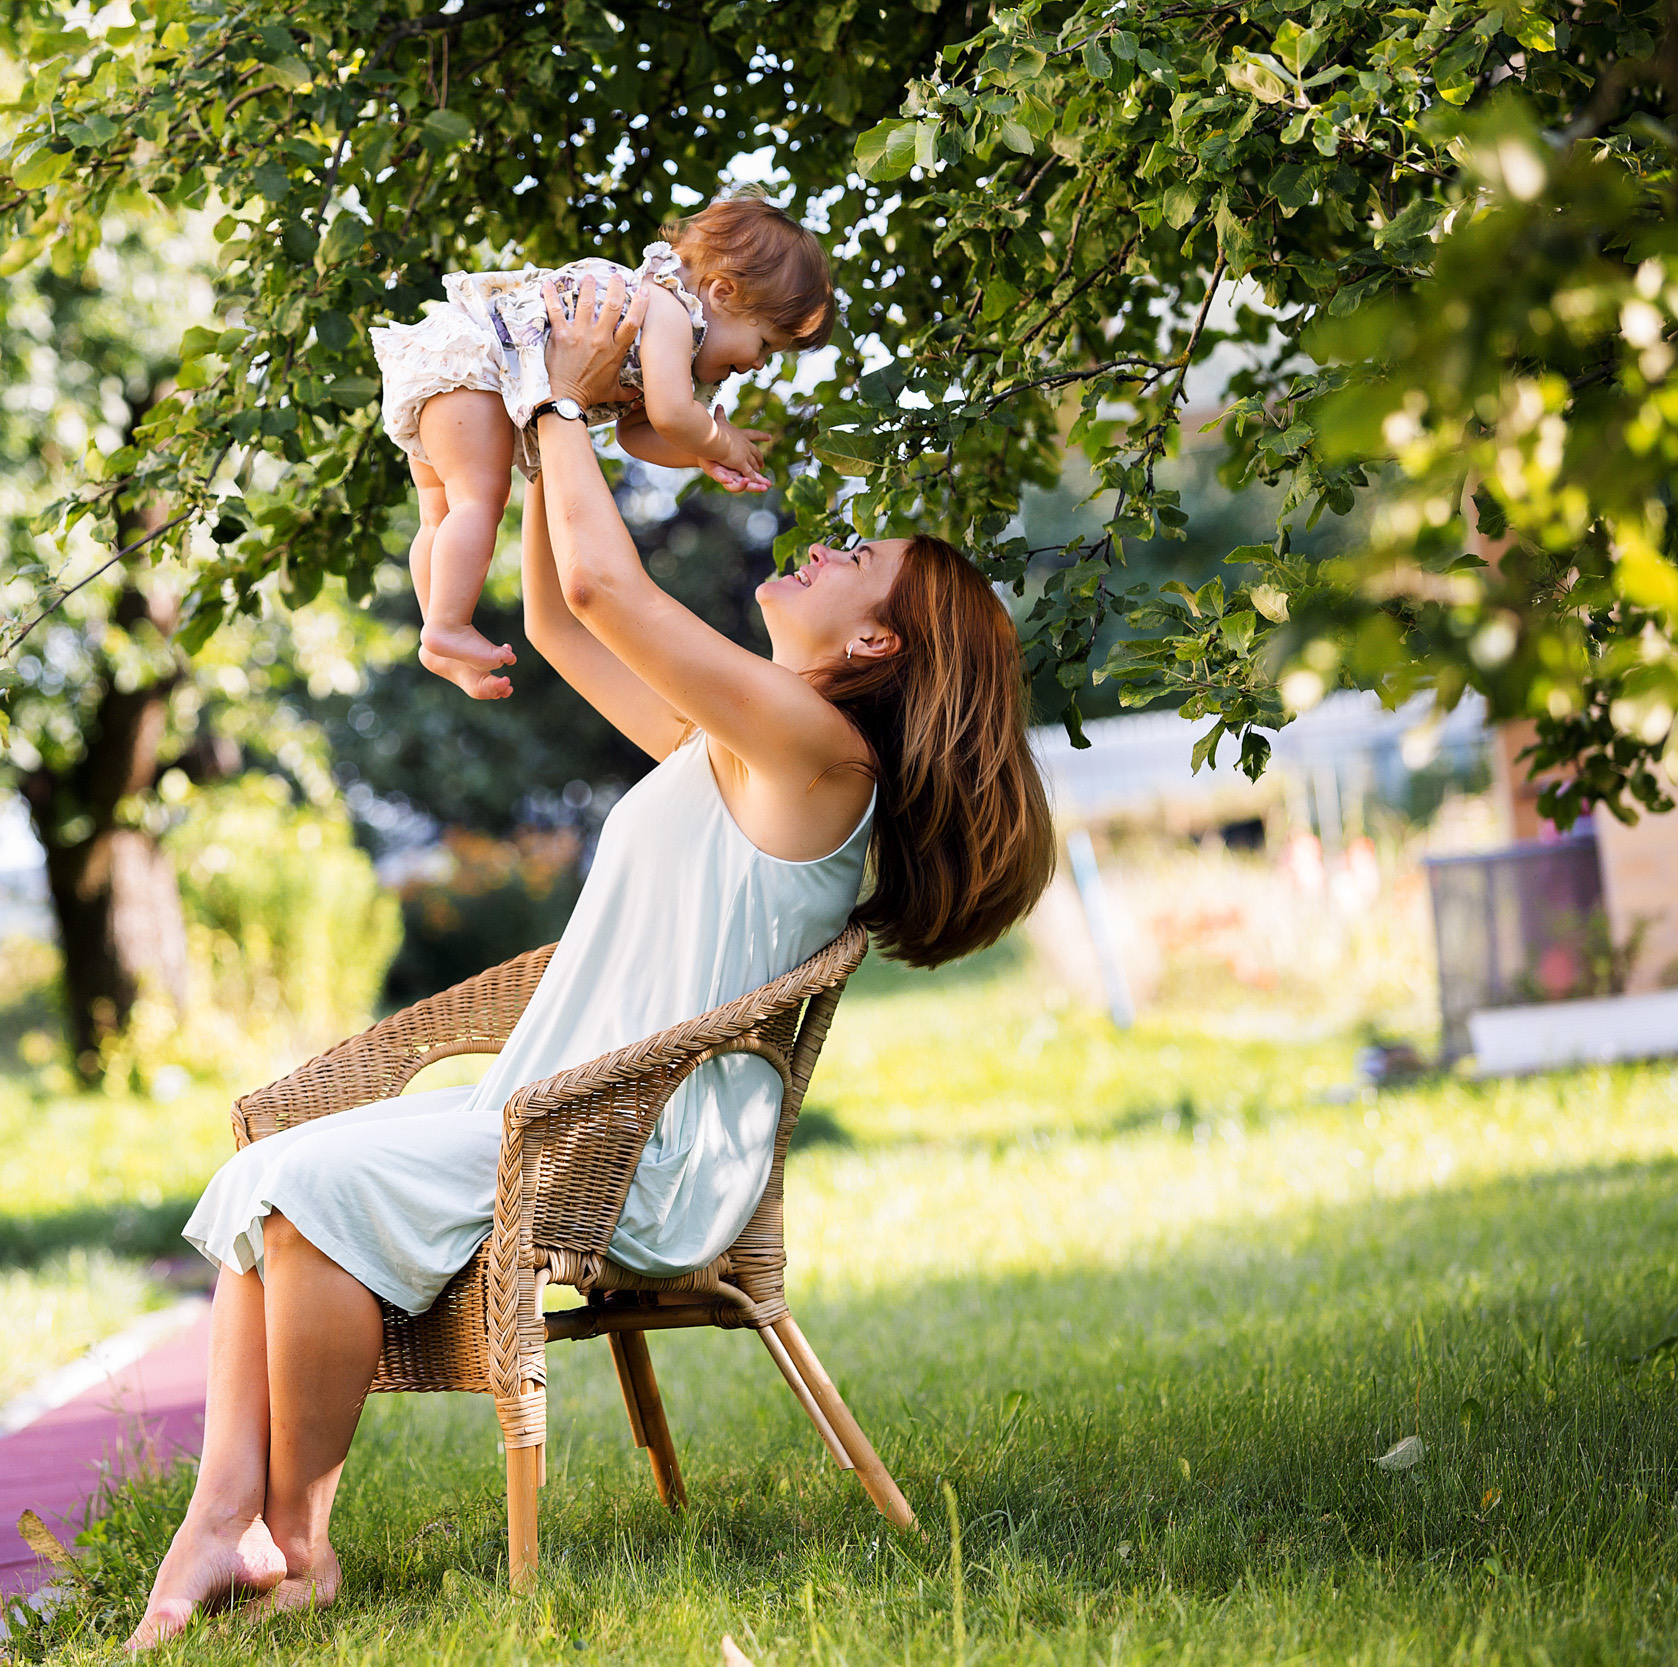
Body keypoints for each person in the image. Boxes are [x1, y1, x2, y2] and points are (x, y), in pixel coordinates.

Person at [124, 276, 1055, 1651]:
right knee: (271, 1167)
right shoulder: (739, 748)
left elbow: (615, 584)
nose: (817, 547)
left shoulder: (819, 758)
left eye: (854, 559)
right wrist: (554, 405)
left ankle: (300, 1542)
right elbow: (571, 619)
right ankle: (224, 1521)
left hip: (639, 1148)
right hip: (559, 1102)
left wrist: (558, 390)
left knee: (312, 1181)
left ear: (878, 643)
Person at [370, 194, 834, 699]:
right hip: (474, 372)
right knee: (477, 503)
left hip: (447, 378)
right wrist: (720, 439)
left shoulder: (671, 343)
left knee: (440, 519)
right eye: (764, 343)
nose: (760, 364)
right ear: (722, 293)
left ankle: (439, 635)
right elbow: (672, 414)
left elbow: (636, 434)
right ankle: (448, 624)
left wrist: (696, 453)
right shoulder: (668, 311)